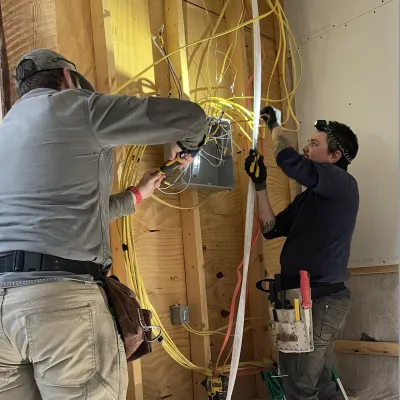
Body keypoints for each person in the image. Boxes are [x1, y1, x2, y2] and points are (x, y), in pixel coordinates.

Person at [0, 49, 207, 399]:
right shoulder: (76, 105)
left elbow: (68, 213)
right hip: (62, 306)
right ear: (68, 79)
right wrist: (186, 148)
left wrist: (136, 196)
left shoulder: (7, 130)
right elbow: (193, 118)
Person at [245, 106, 359, 400]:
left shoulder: (342, 184)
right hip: (299, 301)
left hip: (320, 301)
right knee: (318, 383)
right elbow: (270, 228)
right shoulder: (308, 198)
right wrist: (260, 185)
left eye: (314, 143)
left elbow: (289, 161)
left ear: (335, 157)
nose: (307, 148)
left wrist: (275, 127)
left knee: (299, 386)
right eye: (307, 142)